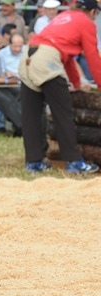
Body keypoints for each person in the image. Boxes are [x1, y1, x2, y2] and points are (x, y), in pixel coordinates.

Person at [19, 0, 101, 174]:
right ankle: (74, 161)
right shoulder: (86, 23)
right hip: (47, 59)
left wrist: (76, 83)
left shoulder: (64, 16)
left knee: (31, 114)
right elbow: (92, 56)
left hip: (28, 56)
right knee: (63, 113)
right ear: (93, 11)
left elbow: (68, 58)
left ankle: (33, 162)